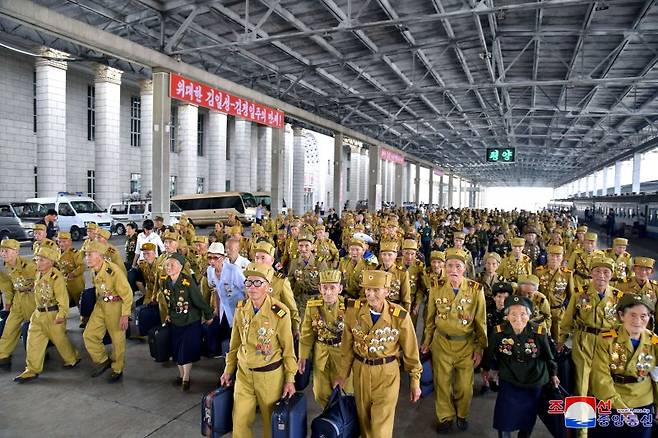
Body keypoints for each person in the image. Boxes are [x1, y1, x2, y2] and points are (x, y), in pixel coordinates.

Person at [335, 270, 422, 438]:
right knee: (364, 423)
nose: (370, 294)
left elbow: (411, 352)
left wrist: (415, 381)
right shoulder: (354, 311)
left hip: (387, 374)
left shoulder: (399, 316)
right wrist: (342, 374)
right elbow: (347, 347)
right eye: (367, 289)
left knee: (381, 429)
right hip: (360, 371)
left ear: (387, 292)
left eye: (376, 290)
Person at [220, 263, 297, 438]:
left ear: (268, 287)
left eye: (258, 283)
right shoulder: (241, 309)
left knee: (271, 424)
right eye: (249, 282)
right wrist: (228, 369)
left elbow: (288, 350)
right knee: (239, 421)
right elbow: (234, 344)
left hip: (269, 377)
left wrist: (290, 379)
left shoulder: (280, 312)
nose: (252, 287)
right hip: (244, 375)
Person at [421, 248, 487, 433]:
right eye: (449, 265)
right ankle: (445, 417)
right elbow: (430, 318)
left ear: (464, 268)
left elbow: (481, 322)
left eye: (457, 266)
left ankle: (461, 414)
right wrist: (426, 341)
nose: (453, 270)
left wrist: (479, 348)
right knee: (441, 383)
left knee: (465, 386)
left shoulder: (475, 290)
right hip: (441, 343)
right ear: (444, 267)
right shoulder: (436, 287)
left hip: (466, 345)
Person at [482, 295, 559, 438]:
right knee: (504, 414)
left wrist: (553, 374)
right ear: (507, 316)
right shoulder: (498, 332)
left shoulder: (539, 332)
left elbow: (549, 356)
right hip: (509, 376)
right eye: (513, 314)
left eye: (523, 314)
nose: (518, 318)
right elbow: (489, 352)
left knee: (529, 414)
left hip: (534, 378)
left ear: (529, 315)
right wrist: (486, 369)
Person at [590, 293, 658, 438]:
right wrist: (622, 409)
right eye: (632, 315)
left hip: (643, 401)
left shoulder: (654, 342)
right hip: (611, 400)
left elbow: (657, 377)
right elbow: (600, 376)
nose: (638, 321)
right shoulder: (606, 338)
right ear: (621, 315)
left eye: (643, 316)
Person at [14, 242, 80, 383]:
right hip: (38, 314)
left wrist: (61, 315)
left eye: (41, 259)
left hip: (53, 314)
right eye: (37, 259)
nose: (38, 261)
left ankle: (72, 358)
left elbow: (63, 298)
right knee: (33, 342)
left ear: (50, 262)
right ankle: (31, 369)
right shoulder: (38, 274)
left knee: (60, 341)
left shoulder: (56, 277)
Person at [558, 256, 624, 396]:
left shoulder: (618, 296)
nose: (601, 275)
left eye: (606, 272)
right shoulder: (581, 293)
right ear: (591, 273)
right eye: (597, 271)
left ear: (612, 275)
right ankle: (580, 414)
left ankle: (600, 413)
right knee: (581, 379)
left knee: (602, 378)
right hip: (583, 340)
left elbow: (621, 324)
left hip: (606, 341)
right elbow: (568, 318)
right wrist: (561, 340)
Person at [298, 270, 353, 407]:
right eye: (324, 288)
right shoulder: (313, 307)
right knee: (320, 393)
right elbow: (307, 334)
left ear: (340, 289)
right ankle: (329, 420)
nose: (328, 292)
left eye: (332, 288)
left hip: (341, 355)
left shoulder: (349, 307)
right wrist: (303, 357)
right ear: (319, 289)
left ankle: (342, 422)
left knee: (343, 391)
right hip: (321, 354)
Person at [161, 252, 213, 391]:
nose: (169, 267)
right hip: (175, 321)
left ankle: (186, 378)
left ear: (180, 267)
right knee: (177, 350)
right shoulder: (165, 281)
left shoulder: (187, 282)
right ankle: (181, 375)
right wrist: (168, 314)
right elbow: (168, 301)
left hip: (190, 320)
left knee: (186, 350)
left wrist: (208, 315)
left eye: (172, 264)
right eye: (167, 264)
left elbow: (200, 301)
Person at [82, 241, 133, 383]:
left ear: (100, 256)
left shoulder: (113, 271)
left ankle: (117, 368)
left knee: (117, 340)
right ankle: (103, 360)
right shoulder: (94, 269)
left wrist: (125, 315)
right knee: (89, 334)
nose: (87, 257)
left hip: (116, 306)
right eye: (86, 254)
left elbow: (127, 294)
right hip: (101, 305)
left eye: (90, 255)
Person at [0, 239, 37, 370]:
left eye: (6, 251)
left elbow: (43, 282)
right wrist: (8, 303)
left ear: (16, 252)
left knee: (35, 329)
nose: (3, 253)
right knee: (9, 328)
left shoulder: (30, 266)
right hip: (18, 300)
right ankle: (3, 356)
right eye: (2, 251)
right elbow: (8, 286)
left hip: (33, 299)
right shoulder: (7, 266)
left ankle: (42, 353)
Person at [252, 241, 301, 336]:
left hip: (276, 326)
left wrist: (295, 328)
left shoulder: (280, 281)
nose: (259, 261)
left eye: (263, 258)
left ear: (271, 260)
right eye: (257, 258)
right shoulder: (251, 280)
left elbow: (291, 307)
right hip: (257, 325)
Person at [203, 242, 246, 347]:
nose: (212, 261)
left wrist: (247, 310)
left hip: (238, 307)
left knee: (237, 334)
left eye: (215, 257)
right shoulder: (210, 271)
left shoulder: (233, 270)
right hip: (224, 307)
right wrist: (217, 309)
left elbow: (246, 290)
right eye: (209, 258)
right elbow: (216, 290)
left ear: (222, 258)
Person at [535, 245, 574, 340]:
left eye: (558, 256)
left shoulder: (567, 274)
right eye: (551, 255)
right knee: (542, 338)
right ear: (547, 256)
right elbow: (535, 293)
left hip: (558, 312)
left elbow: (571, 295)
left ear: (562, 257)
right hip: (542, 311)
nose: (554, 259)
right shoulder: (539, 272)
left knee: (558, 339)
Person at [480, 282, 513, 394]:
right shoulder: (486, 309)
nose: (501, 300)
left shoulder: (512, 312)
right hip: (487, 342)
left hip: (504, 344)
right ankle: (485, 383)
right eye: (499, 296)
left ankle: (495, 379)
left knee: (498, 364)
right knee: (485, 364)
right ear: (494, 297)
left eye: (505, 297)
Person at [287, 232, 328, 312]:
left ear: (312, 247)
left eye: (307, 246)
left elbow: (326, 283)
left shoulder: (319, 262)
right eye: (301, 246)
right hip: (300, 299)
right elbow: (290, 281)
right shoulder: (294, 261)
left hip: (316, 298)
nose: (303, 249)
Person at [56, 231, 85, 309]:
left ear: (70, 242)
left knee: (79, 300)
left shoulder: (74, 253)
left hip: (75, 282)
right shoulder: (57, 252)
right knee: (63, 300)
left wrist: (73, 273)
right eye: (59, 241)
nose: (61, 244)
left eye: (64, 241)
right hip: (63, 281)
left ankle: (83, 316)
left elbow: (81, 266)